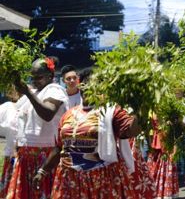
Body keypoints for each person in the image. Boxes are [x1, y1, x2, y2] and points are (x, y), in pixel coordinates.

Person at [32, 68, 141, 198]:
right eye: (84, 83)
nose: (88, 87)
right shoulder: (69, 114)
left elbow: (129, 131)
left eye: (93, 84)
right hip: (69, 181)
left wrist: (141, 109)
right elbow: (60, 147)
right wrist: (43, 170)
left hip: (100, 180)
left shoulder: (111, 111)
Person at [7, 57, 69, 199]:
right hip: (27, 156)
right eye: (32, 78)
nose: (34, 81)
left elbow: (47, 114)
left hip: (47, 157)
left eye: (39, 77)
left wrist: (28, 92)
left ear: (51, 76)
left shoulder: (55, 90)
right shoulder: (35, 92)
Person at [0, 87, 21, 198]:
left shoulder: (30, 105)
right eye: (13, 89)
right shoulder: (6, 107)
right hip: (11, 153)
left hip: (28, 153)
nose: (17, 92)